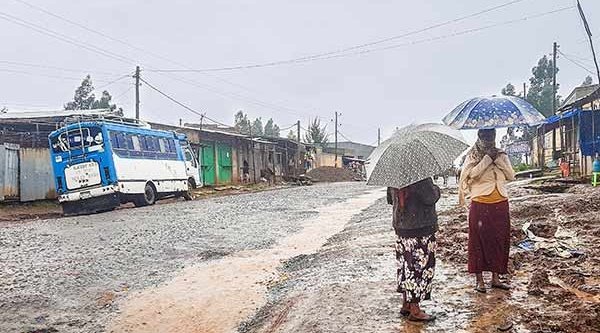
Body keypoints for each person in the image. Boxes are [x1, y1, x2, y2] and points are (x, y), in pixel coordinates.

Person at [458, 129, 515, 293]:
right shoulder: (473, 156)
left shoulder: (502, 154)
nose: (489, 140)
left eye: (492, 137)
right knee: (478, 243)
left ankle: (496, 278)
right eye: (485, 137)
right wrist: (487, 159)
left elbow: (511, 175)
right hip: (480, 204)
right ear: (480, 137)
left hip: (501, 202)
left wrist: (498, 160)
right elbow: (471, 176)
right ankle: (480, 281)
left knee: (499, 241)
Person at [387, 177, 440, 322]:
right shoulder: (420, 176)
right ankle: (415, 309)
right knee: (419, 268)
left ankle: (406, 303)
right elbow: (430, 197)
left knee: (405, 266)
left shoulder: (394, 176)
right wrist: (436, 188)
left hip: (401, 226)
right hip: (420, 228)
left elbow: (390, 199)